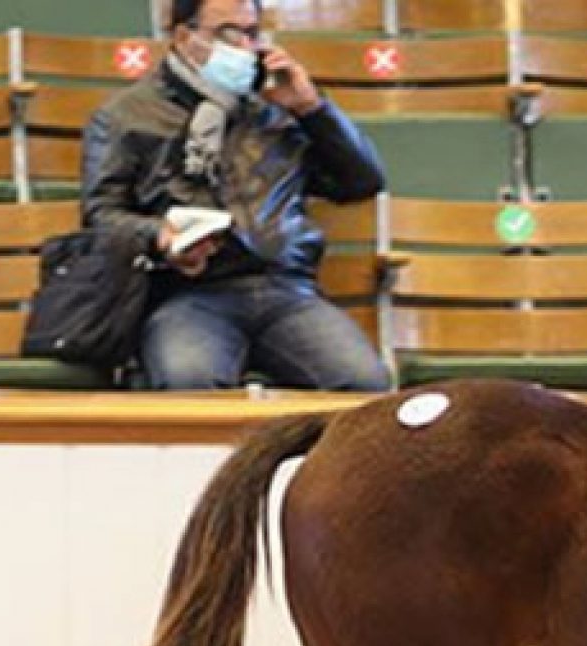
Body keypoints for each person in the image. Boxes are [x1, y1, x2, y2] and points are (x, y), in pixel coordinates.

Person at [80, 0, 393, 392]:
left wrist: (313, 110)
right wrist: (161, 236)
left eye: (252, 33)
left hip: (286, 288)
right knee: (189, 381)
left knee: (365, 384)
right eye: (229, 33)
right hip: (188, 294)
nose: (245, 47)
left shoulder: (277, 106)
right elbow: (101, 215)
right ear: (183, 36)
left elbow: (361, 182)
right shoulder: (127, 115)